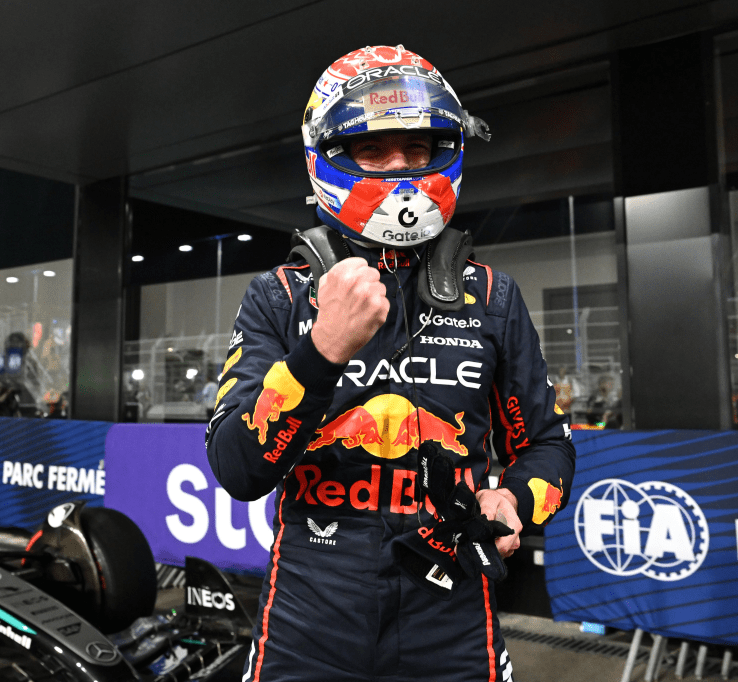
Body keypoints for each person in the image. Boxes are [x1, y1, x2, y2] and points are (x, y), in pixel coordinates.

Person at [206, 45, 574, 682]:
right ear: (328, 157)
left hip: (453, 605)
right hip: (309, 611)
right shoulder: (280, 296)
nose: (400, 165)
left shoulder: (492, 296)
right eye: (373, 149)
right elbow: (237, 468)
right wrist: (322, 351)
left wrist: (514, 499)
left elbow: (548, 443)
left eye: (418, 147)